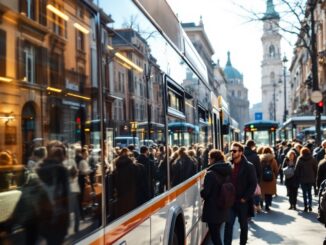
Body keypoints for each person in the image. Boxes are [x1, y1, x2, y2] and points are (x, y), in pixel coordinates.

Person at [224, 142, 257, 245]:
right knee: (228, 224)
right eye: (231, 151)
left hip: (243, 202)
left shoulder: (249, 166)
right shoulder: (228, 165)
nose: (232, 153)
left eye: (234, 151)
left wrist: (245, 198)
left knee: (243, 226)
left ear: (241, 152)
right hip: (230, 202)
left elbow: (253, 184)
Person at [201, 149, 232, 245]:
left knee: (215, 236)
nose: (208, 160)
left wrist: (201, 190)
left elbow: (206, 193)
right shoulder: (228, 170)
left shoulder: (210, 174)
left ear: (214, 159)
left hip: (212, 210)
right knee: (216, 234)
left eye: (209, 158)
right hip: (223, 207)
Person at [295, 146, 318, 212]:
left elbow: (297, 170)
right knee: (310, 192)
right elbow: (315, 169)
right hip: (311, 178)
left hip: (303, 179)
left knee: (304, 193)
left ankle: (305, 206)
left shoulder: (299, 159)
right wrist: (314, 176)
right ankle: (310, 205)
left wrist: (298, 177)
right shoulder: (312, 159)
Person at [259, 146, 279, 211]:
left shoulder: (261, 159)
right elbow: (276, 170)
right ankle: (267, 205)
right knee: (269, 193)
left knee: (262, 192)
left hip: (262, 178)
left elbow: (259, 169)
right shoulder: (273, 160)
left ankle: (261, 204)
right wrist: (275, 176)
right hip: (271, 178)